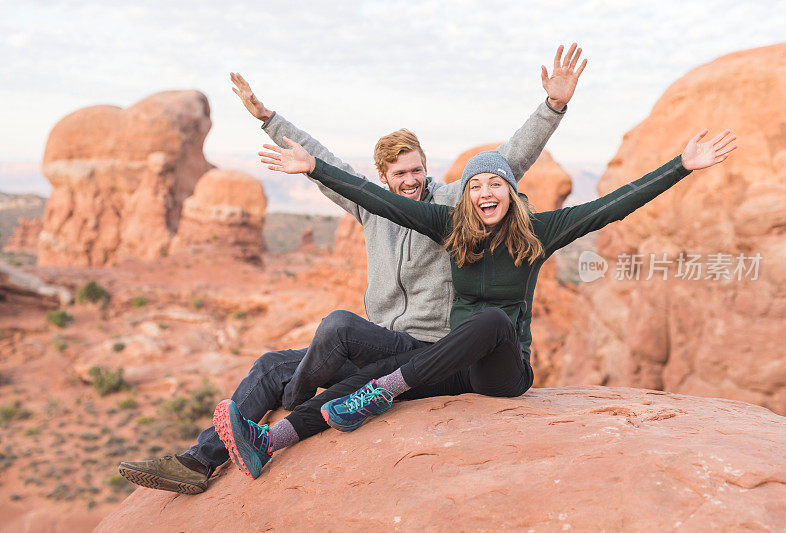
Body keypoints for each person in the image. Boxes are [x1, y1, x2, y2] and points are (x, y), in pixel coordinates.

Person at [118, 44, 587, 494]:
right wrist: (268, 119)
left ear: (427, 170)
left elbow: (508, 160)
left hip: (421, 350)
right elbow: (326, 163)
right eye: (400, 174)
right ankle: (199, 462)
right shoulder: (372, 207)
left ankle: (297, 403)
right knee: (268, 365)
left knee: (336, 327)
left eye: (417, 171)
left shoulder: (448, 204)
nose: (410, 181)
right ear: (382, 178)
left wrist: (552, 106)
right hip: (377, 341)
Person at [213, 128, 737, 480]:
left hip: (503, 374)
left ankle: (386, 389)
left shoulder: (540, 230)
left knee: (486, 321)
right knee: (359, 384)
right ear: (465, 195)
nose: (487, 190)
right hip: (450, 366)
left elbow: (613, 205)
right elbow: (380, 200)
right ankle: (271, 438)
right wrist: (316, 170)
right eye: (476, 184)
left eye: (496, 182)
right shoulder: (449, 227)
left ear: (510, 191)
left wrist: (681, 167)